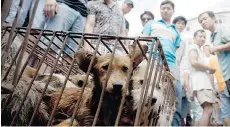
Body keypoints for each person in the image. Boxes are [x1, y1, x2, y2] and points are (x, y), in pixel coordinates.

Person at [142, 0, 182, 125]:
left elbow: (174, 51)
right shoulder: (151, 24)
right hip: (152, 60)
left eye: (168, 8)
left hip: (171, 66)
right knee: (150, 94)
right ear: (160, 10)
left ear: (172, 11)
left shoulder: (176, 31)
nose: (165, 10)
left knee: (171, 97)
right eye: (163, 8)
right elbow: (143, 41)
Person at [198, 11, 230, 126]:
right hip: (226, 76)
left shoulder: (222, 29)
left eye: (205, 19)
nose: (203, 22)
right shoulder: (212, 36)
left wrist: (217, 48)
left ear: (213, 18)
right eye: (201, 21)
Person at [188, 29, 216, 126]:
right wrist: (209, 68)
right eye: (200, 36)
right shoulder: (193, 47)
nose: (203, 39)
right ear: (194, 37)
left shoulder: (198, 49)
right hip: (201, 82)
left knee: (208, 109)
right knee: (208, 109)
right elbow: (193, 62)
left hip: (201, 82)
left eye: (204, 37)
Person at [173, 16, 192, 126]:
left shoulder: (183, 42)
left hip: (178, 73)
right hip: (167, 69)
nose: (180, 25)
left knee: (178, 105)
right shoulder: (170, 36)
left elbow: (182, 60)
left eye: (182, 24)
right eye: (178, 23)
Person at [203, 44, 224, 125]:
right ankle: (215, 119)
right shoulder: (204, 60)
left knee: (220, 100)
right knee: (213, 101)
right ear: (204, 51)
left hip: (218, 81)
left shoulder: (216, 58)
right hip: (210, 82)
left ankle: (218, 118)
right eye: (206, 49)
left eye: (209, 49)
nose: (208, 51)